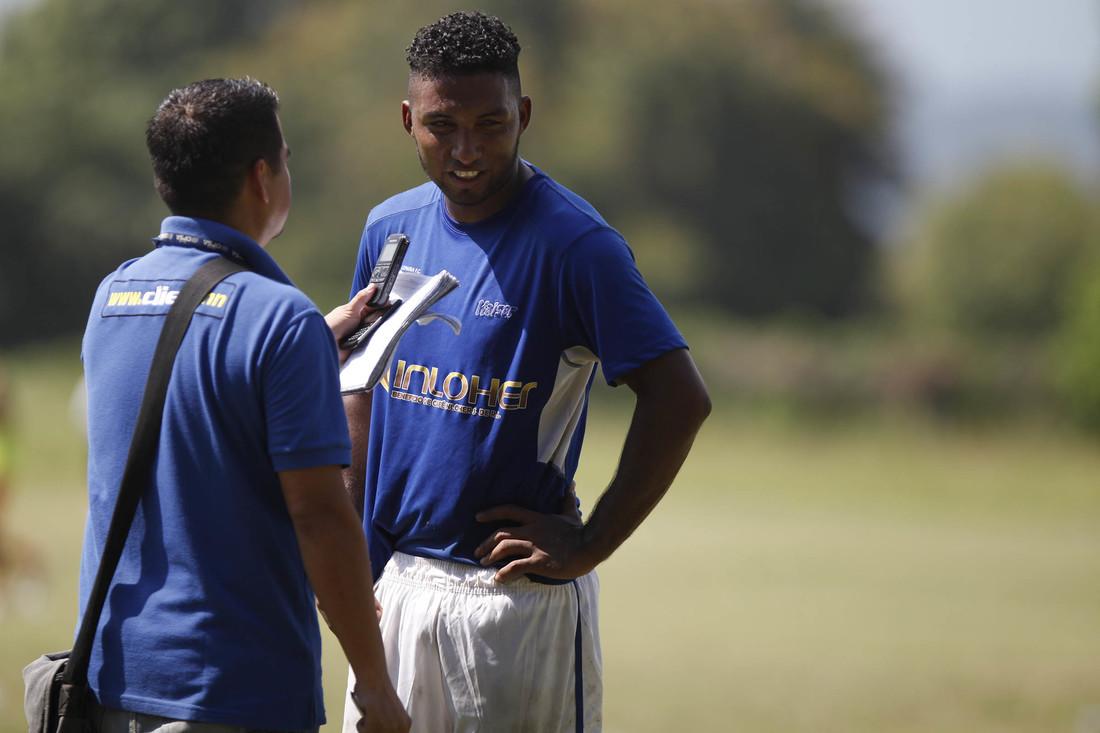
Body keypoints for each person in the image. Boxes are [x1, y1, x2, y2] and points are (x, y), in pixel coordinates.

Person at [341, 12, 711, 732]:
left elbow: (679, 398)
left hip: (509, 603)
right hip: (393, 589)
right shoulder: (389, 228)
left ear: (525, 116)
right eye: (442, 126)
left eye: (492, 124)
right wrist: (356, 546)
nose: (467, 150)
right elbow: (360, 384)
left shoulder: (576, 245)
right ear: (408, 120)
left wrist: (589, 543)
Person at [79, 78, 409, 733]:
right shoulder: (279, 320)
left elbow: (192, 395)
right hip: (231, 688)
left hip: (112, 675)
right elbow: (321, 516)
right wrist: (374, 685)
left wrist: (311, 346)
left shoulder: (113, 294)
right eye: (285, 157)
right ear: (262, 177)